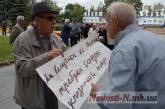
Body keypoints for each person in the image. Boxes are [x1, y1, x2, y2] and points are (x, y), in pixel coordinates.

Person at [90, 2, 165, 109]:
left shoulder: (124, 50)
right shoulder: (156, 39)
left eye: (107, 21)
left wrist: (98, 96)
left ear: (115, 22)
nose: (106, 26)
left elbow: (118, 103)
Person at [12, 2, 66, 109]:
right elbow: (22, 69)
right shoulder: (23, 40)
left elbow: (69, 55)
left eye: (55, 18)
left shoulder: (56, 39)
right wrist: (46, 57)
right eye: (50, 18)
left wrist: (88, 46)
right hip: (32, 101)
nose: (54, 22)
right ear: (36, 20)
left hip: (52, 96)